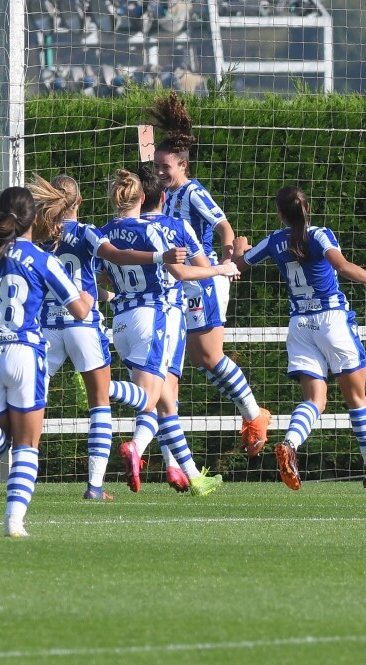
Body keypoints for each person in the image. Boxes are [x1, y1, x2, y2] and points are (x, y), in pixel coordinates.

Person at [0, 174, 186, 501]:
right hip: (82, 324)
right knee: (100, 405)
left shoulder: (38, 234)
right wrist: (158, 258)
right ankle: (94, 487)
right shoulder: (87, 232)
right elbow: (115, 255)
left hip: (44, 329)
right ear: (79, 202)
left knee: (20, 403)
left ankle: (3, 446)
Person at [0, 187, 92, 537]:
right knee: (27, 445)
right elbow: (80, 311)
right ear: (34, 219)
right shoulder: (43, 258)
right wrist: (87, 295)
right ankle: (14, 521)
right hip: (24, 353)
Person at [231, 185, 366, 491]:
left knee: (315, 400)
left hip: (300, 325)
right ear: (307, 208)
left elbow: (237, 266)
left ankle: (290, 443)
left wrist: (239, 250)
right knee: (356, 400)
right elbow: (341, 265)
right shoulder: (319, 235)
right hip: (332, 321)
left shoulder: (275, 241)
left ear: (280, 213)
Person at [99, 169, 238, 496]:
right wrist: (220, 269)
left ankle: (192, 477)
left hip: (121, 323)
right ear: (155, 197)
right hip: (160, 318)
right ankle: (101, 388)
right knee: (151, 396)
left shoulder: (103, 232)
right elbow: (183, 269)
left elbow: (100, 277)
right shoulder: (166, 228)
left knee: (164, 402)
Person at [148, 91, 272, 458]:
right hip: (177, 282)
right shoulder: (164, 194)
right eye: (156, 166)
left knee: (209, 358)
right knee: (177, 367)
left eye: (164, 167)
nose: (159, 172)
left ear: (183, 166)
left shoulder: (193, 192)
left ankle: (254, 415)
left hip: (201, 282)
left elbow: (224, 227)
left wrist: (230, 255)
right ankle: (174, 462)